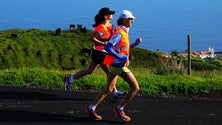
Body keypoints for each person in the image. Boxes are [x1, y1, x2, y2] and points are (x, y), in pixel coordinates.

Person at [85, 10, 142, 121]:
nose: (133, 21)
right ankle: (119, 108)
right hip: (118, 66)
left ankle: (91, 108)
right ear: (125, 20)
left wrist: (135, 44)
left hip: (113, 65)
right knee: (135, 88)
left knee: (109, 89)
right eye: (131, 19)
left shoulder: (123, 31)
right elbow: (108, 47)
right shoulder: (120, 33)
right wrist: (120, 57)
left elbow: (122, 48)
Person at [64, 7, 126, 99]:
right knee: (110, 72)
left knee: (90, 71)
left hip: (101, 52)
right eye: (110, 14)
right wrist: (103, 43)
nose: (112, 15)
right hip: (100, 53)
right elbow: (91, 38)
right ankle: (115, 92)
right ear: (106, 16)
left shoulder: (110, 25)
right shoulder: (101, 27)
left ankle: (70, 79)